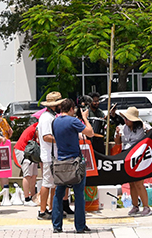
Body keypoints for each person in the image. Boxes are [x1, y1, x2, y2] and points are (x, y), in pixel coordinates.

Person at [50, 98, 94, 234]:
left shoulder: (55, 122)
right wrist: (85, 118)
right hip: (75, 162)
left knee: (58, 194)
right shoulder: (73, 121)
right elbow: (90, 132)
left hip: (60, 162)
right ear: (71, 109)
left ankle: (57, 226)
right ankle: (80, 226)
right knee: (79, 194)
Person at [118, 107, 151, 216]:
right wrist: (117, 134)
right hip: (127, 157)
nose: (125, 120)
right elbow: (118, 142)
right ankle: (135, 206)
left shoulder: (143, 127)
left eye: (128, 119)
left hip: (138, 157)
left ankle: (146, 207)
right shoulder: (124, 128)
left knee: (139, 183)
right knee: (131, 183)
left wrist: (149, 130)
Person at [37, 91, 62, 221]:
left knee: (53, 184)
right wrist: (61, 140)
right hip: (49, 156)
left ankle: (52, 208)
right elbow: (46, 137)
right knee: (47, 183)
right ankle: (42, 210)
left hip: (52, 155)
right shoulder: (47, 118)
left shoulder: (50, 116)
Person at [15, 119, 40, 204]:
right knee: (27, 175)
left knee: (34, 175)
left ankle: (33, 196)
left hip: (31, 151)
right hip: (23, 151)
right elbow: (40, 140)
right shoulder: (37, 127)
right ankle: (26, 198)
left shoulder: (37, 126)